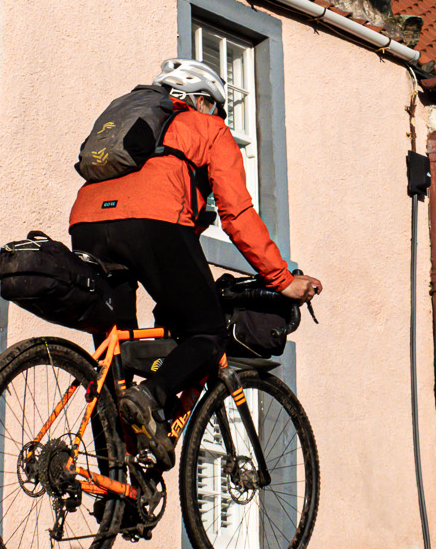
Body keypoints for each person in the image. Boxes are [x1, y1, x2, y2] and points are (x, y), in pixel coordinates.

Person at [69, 58, 323, 472]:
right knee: (207, 332)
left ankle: (115, 484)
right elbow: (237, 214)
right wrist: (281, 279)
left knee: (116, 356)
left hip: (87, 224)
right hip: (150, 223)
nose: (220, 117)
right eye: (218, 108)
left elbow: (184, 214)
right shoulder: (208, 128)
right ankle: (151, 395)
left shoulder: (139, 129)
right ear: (202, 101)